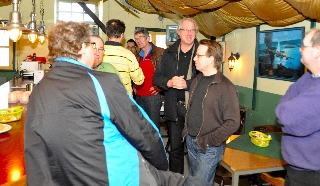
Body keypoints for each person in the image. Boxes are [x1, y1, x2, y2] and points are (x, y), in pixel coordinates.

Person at [24, 21, 211, 186]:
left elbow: (34, 152)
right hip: (117, 175)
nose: (96, 51)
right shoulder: (102, 82)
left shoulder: (38, 90)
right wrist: (159, 168)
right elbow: (143, 132)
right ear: (81, 47)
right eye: (91, 45)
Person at [182, 39, 240, 184]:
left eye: (199, 55)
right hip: (191, 141)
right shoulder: (196, 81)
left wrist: (209, 141)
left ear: (211, 59)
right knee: (195, 180)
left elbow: (233, 122)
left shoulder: (226, 87)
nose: (194, 58)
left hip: (208, 147)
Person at [153, 18, 199, 174]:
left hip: (195, 111)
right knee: (175, 150)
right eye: (185, 30)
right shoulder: (169, 53)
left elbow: (209, 79)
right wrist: (170, 82)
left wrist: (188, 84)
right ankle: (176, 181)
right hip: (174, 109)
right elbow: (156, 78)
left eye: (192, 30)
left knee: (197, 151)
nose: (189, 33)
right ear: (179, 33)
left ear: (196, 33)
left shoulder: (202, 53)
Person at [275, 29, 320, 186]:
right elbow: (285, 101)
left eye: (304, 46)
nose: (300, 49)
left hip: (312, 175)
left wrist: (284, 108)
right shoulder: (308, 76)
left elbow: (286, 116)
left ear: (317, 52)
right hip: (298, 169)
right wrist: (285, 107)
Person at [103, 19, 144, 96]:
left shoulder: (99, 52)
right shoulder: (129, 55)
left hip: (104, 99)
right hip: (124, 100)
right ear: (122, 35)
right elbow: (139, 80)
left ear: (107, 34)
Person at [134, 27, 164, 130]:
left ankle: (156, 146)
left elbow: (167, 73)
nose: (138, 40)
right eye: (136, 38)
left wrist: (160, 88)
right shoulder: (137, 56)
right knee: (141, 127)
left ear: (148, 38)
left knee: (153, 127)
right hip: (139, 96)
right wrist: (134, 86)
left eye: (141, 37)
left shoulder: (160, 53)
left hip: (153, 97)